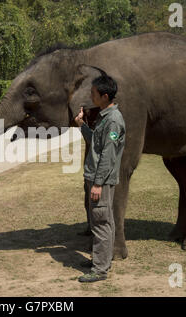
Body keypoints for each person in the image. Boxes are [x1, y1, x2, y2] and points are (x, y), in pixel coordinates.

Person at [74, 74, 125, 283]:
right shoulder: (105, 116)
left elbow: (108, 155)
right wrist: (81, 124)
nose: (90, 96)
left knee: (101, 222)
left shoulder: (113, 120)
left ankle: (100, 269)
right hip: (97, 178)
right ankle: (101, 259)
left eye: (93, 93)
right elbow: (96, 143)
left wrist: (97, 183)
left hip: (100, 180)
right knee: (105, 220)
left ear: (105, 96)